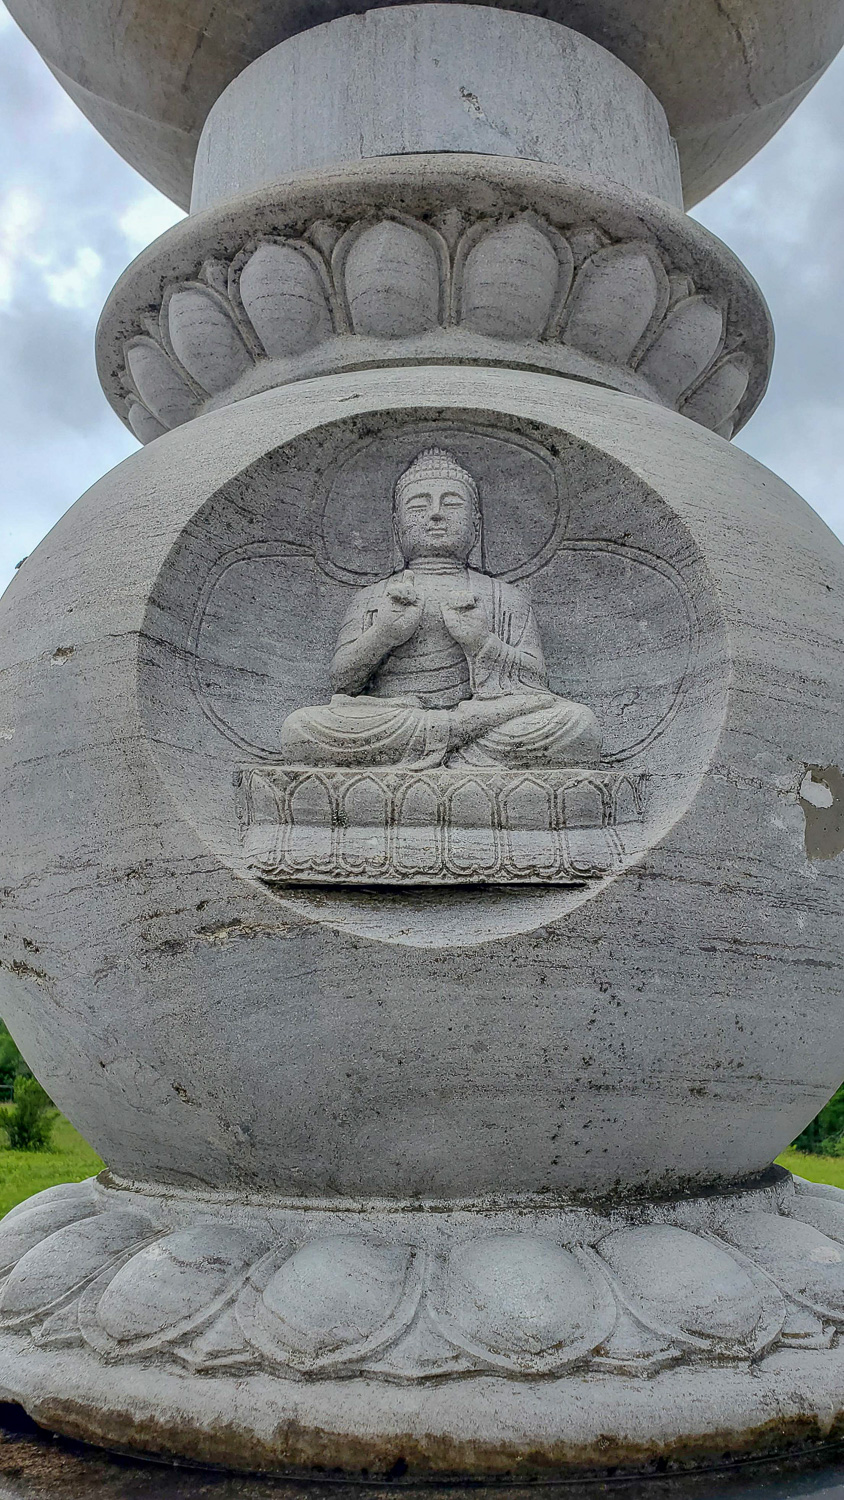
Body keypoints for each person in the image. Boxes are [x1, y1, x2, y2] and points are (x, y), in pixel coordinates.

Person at [279, 448, 601, 769]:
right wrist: (383, 634)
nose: (435, 514)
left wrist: (482, 643)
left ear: (475, 524)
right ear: (397, 525)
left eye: (451, 503)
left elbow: (536, 681)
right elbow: (342, 681)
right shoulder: (372, 597)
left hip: (484, 721)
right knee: (299, 729)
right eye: (419, 504)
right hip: (398, 719)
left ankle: (450, 738)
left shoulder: (505, 597)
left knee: (579, 724)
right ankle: (456, 738)